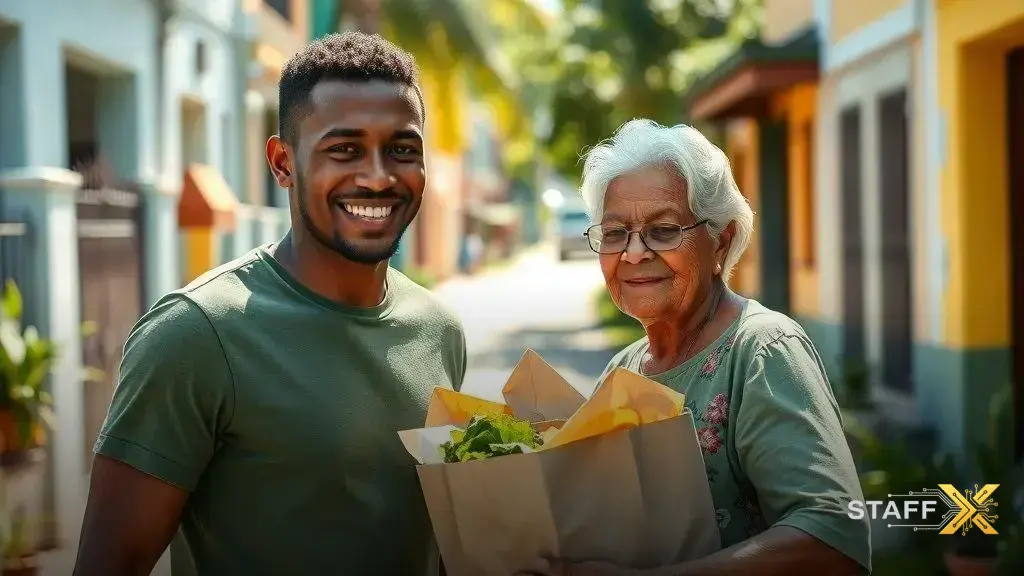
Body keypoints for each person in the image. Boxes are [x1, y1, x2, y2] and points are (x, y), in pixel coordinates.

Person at [73, 32, 466, 576]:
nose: (378, 177)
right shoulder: (196, 334)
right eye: (344, 149)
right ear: (283, 163)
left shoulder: (440, 330)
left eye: (403, 149)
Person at [520, 120, 870, 576]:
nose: (634, 253)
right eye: (614, 233)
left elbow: (832, 533)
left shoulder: (762, 351)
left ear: (720, 241)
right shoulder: (622, 372)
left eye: (663, 230)